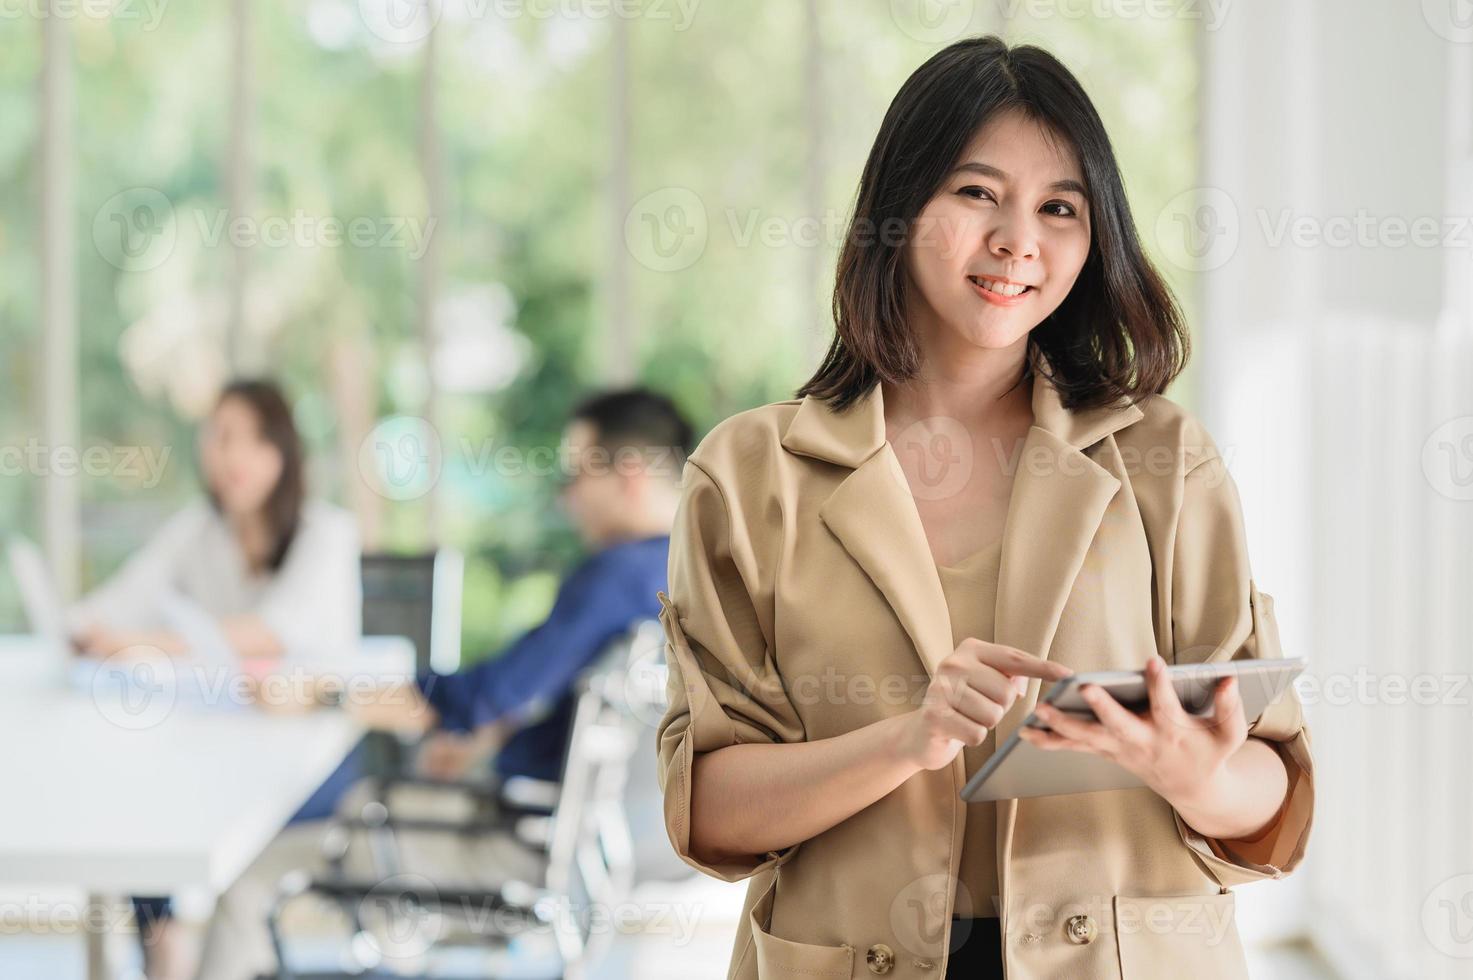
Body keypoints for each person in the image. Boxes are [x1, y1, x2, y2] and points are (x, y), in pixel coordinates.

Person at [654, 36, 1315, 980]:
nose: (1018, 240)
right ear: (898, 205)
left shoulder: (1165, 460)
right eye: (976, 193)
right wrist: (905, 738)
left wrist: (1195, 772)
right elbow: (705, 808)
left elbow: (1273, 791)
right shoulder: (747, 474)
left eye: (1059, 208)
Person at [190, 386, 692, 980]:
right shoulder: (673, 575)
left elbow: (480, 697)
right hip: (562, 846)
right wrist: (481, 734)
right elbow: (527, 691)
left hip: (499, 847)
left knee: (245, 882)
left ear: (629, 474)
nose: (568, 498)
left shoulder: (613, 575)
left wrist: (321, 694)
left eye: (576, 475)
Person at [69, 378, 362, 980]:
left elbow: (269, 632)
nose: (232, 457)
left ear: (283, 453)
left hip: (310, 764)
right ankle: (164, 946)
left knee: (226, 861)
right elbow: (123, 600)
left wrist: (140, 644)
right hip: (218, 749)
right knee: (132, 800)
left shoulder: (326, 533)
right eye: (220, 437)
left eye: (251, 440)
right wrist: (86, 627)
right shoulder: (196, 531)